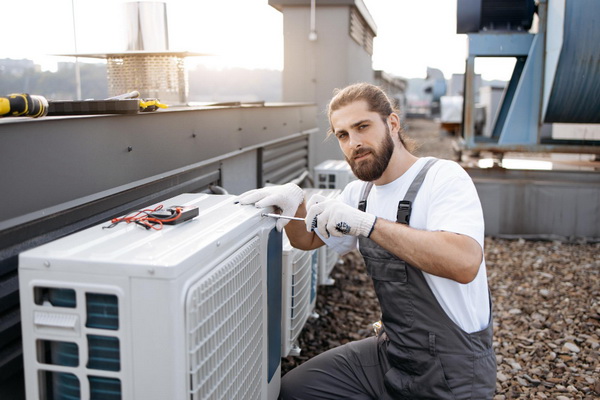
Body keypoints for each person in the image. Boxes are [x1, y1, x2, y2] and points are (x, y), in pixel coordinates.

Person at [236, 83, 496, 399]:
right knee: (296, 391)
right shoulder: (359, 194)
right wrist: (294, 204)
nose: (354, 143)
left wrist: (368, 225)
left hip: (452, 367)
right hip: (392, 352)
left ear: (393, 123)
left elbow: (464, 263)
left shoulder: (442, 178)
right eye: (343, 135)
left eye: (363, 127)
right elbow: (307, 239)